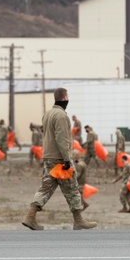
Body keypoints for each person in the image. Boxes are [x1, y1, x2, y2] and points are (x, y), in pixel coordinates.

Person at [22, 87, 97, 231]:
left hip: (49, 158)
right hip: (60, 159)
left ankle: (30, 217)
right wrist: (67, 160)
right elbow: (62, 139)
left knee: (45, 188)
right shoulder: (61, 116)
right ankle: (78, 220)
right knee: (72, 188)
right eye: (68, 96)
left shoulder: (48, 114)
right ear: (64, 98)